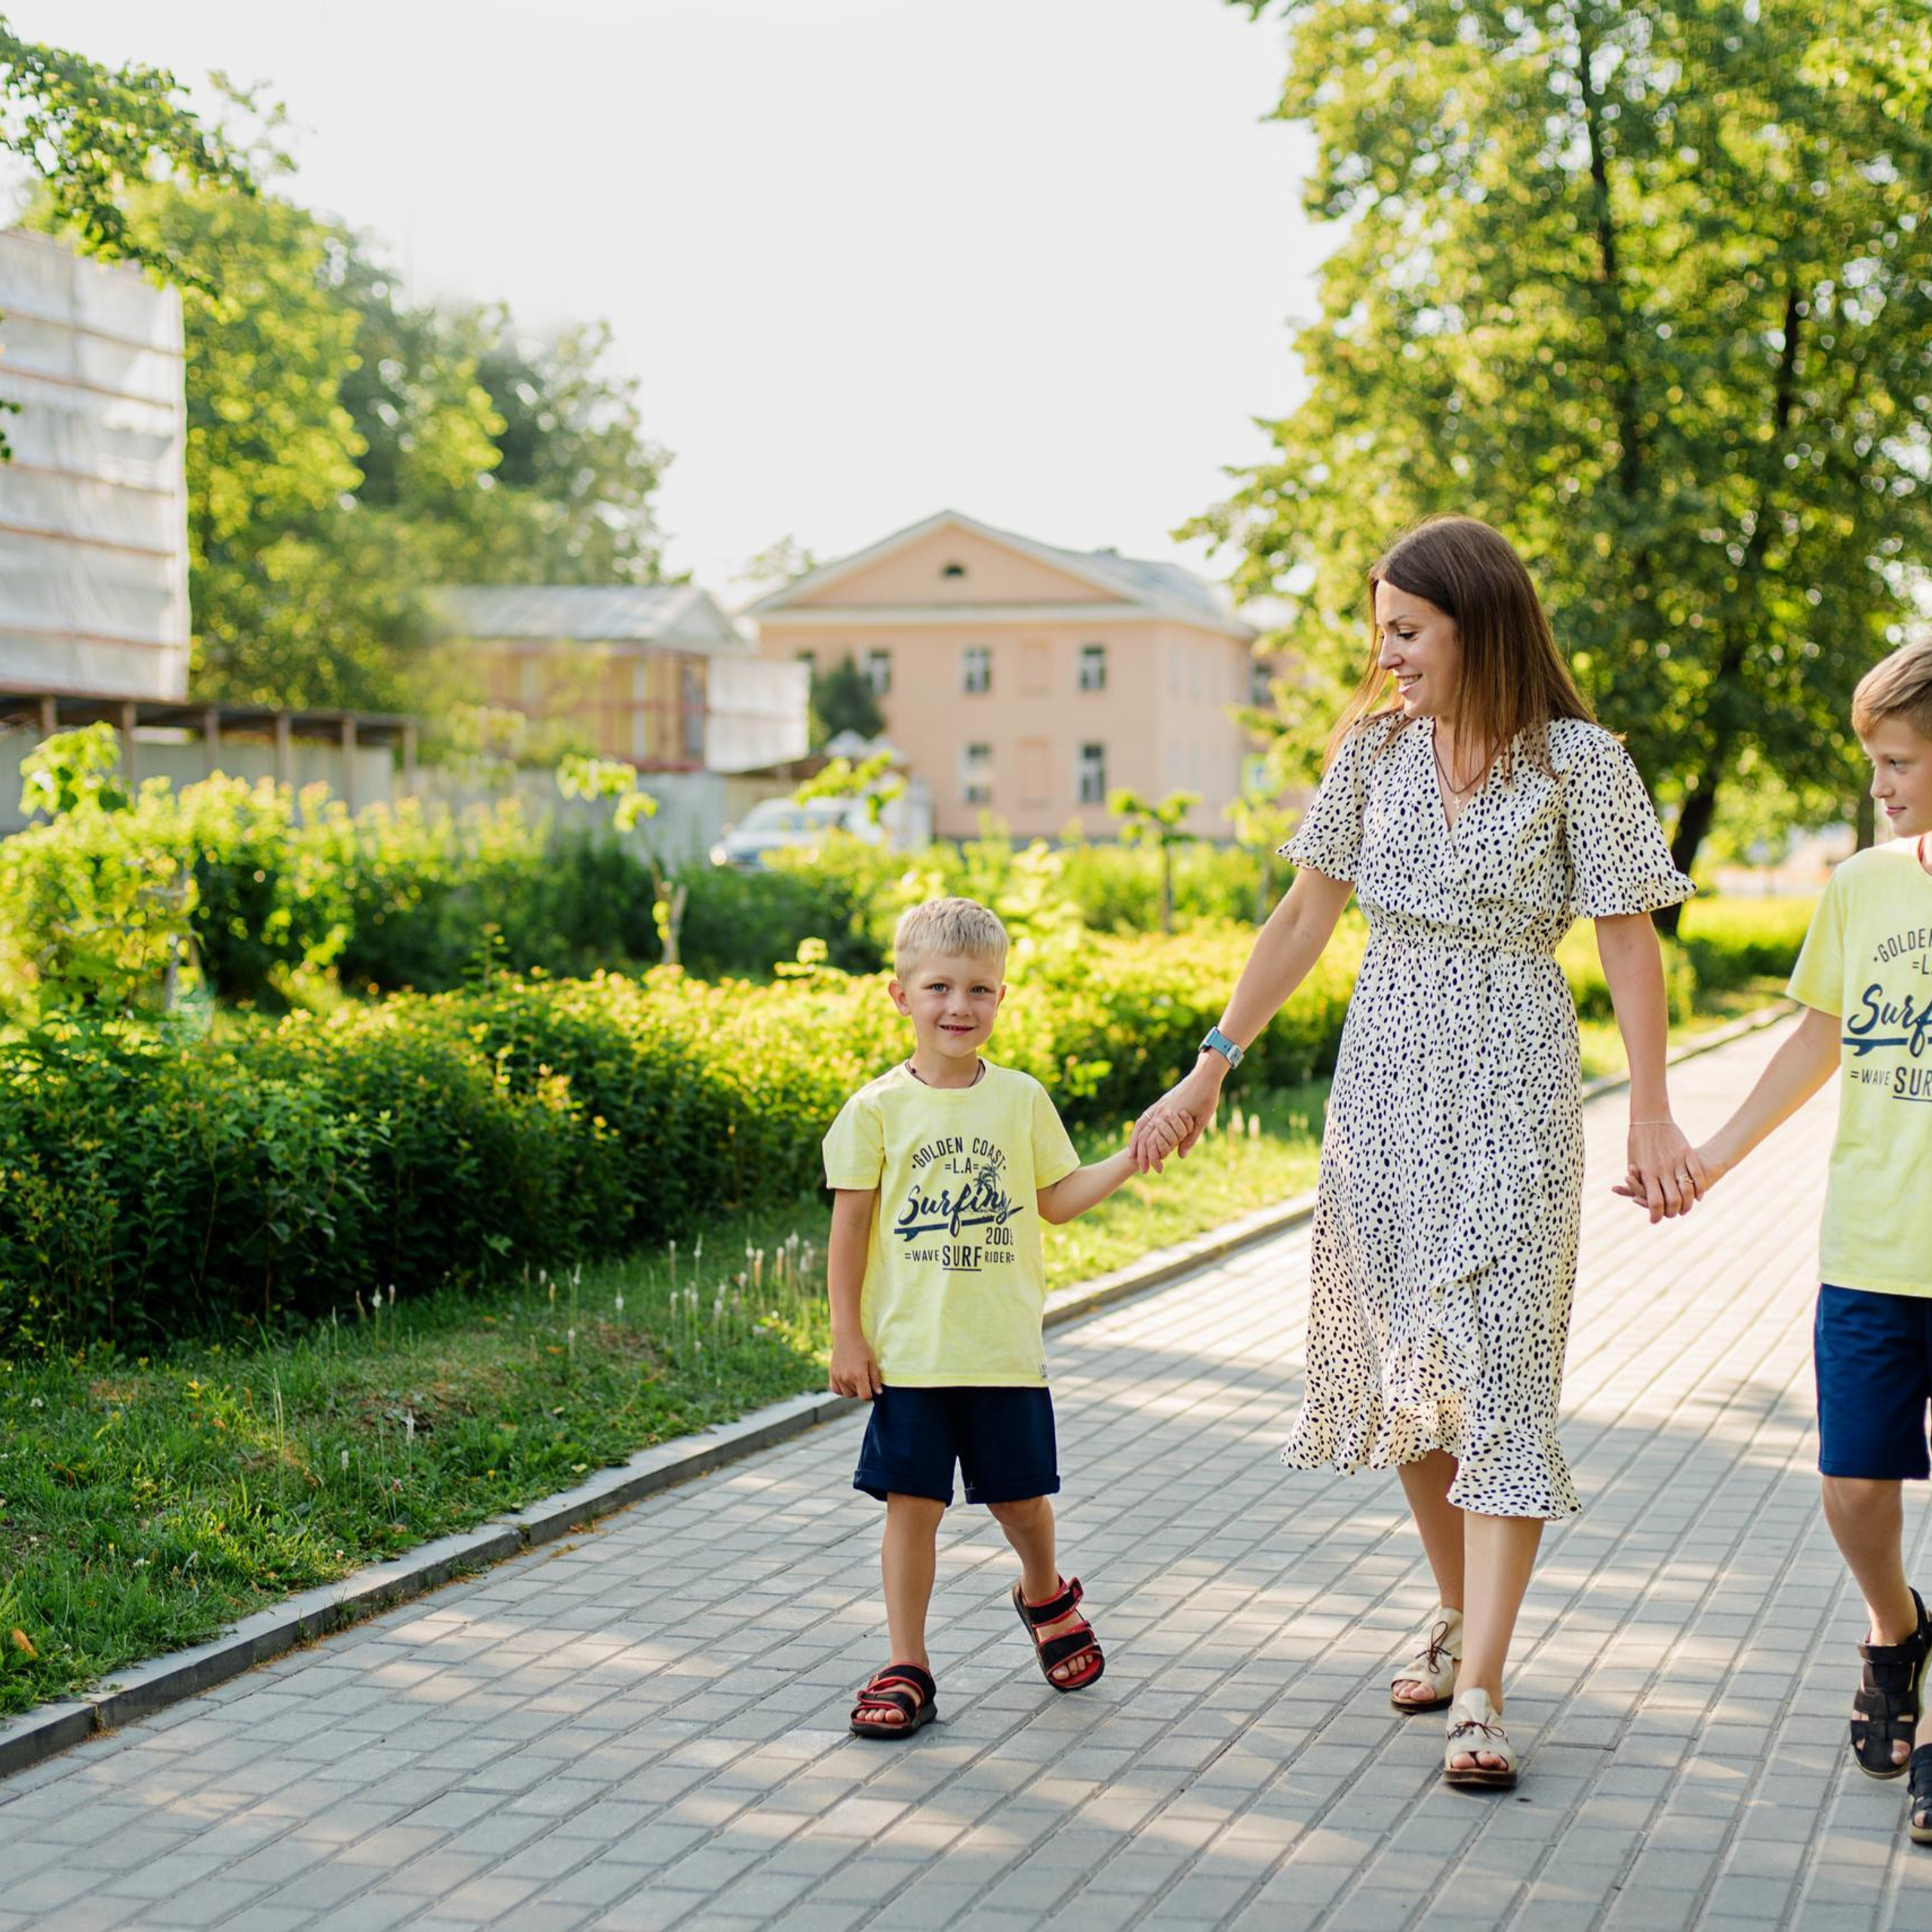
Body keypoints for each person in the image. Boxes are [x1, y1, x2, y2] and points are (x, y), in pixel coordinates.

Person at [1131, 514, 1700, 1790]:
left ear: (1476, 625)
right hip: (1383, 1086)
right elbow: (1304, 915)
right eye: (1381, 632)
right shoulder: (1373, 752)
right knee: (1415, 1376)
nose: (1386, 656)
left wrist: (1652, 1109)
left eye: (1406, 631)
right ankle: (1454, 1613)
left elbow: (1628, 941)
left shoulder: (1580, 764)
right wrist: (1212, 1062)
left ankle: (1482, 1687)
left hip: (1516, 1081)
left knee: (1502, 1375)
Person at [1616, 638, 1932, 1844]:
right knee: (1853, 1489)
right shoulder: (1864, 887)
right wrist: (1710, 1156)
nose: (1878, 786)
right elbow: (1816, 1038)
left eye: (1899, 762)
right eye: (1873, 763)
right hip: (1872, 1248)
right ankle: (1897, 1630)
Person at [824, 896, 1188, 1739]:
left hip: (1002, 1353)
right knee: (911, 1504)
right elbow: (849, 1231)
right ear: (900, 995)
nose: (959, 1006)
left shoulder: (1021, 1100)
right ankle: (907, 1663)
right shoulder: (875, 1110)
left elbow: (1056, 1199)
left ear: (1000, 997)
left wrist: (1133, 1157)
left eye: (979, 989)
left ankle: (1044, 1593)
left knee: (1020, 1502)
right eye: (939, 987)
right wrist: (847, 1334)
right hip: (912, 1357)